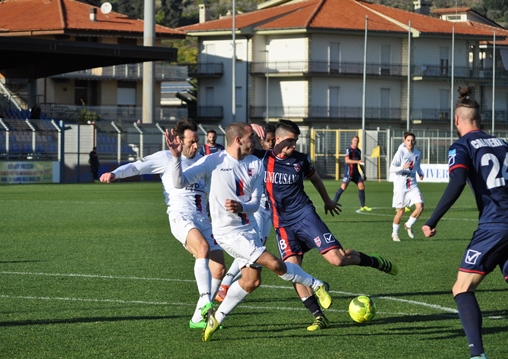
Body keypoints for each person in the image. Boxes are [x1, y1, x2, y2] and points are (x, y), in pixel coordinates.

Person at [165, 122, 332, 341]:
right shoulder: (213, 161)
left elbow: (255, 202)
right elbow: (179, 182)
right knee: (274, 263)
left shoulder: (255, 164)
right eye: (251, 137)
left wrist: (241, 206)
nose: (254, 141)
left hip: (248, 229)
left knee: (251, 281)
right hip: (227, 233)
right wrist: (176, 158)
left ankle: (217, 317)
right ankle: (317, 284)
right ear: (238, 140)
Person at [252, 119, 397, 332]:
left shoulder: (300, 160)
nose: (293, 147)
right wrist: (250, 127)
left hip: (305, 216)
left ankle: (374, 261)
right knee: (293, 271)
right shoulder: (262, 158)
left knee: (337, 259)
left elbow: (316, 180)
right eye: (290, 142)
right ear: (279, 139)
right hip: (282, 225)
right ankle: (319, 316)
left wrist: (328, 201)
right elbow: (236, 143)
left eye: (295, 143)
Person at [99, 118, 226, 330]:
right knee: (201, 249)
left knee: (219, 268)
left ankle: (197, 318)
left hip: (203, 218)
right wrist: (115, 174)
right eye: (191, 142)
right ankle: (206, 302)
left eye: (197, 141)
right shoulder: (165, 158)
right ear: (178, 140)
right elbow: (137, 166)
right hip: (181, 216)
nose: (196, 146)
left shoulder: (203, 160)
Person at [422, 87, 508, 359]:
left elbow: (457, 181)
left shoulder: (462, 146)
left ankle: (478, 356)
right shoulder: (503, 143)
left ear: (457, 121)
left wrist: (432, 220)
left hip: (495, 224)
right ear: (479, 120)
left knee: (462, 288)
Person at [214, 123, 276, 303]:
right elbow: (239, 138)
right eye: (267, 140)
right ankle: (225, 286)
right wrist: (252, 126)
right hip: (252, 210)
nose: (270, 144)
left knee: (257, 247)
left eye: (273, 141)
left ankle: (226, 286)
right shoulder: (252, 155)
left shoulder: (271, 157)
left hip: (267, 209)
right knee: (253, 249)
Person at [390, 132, 424, 242]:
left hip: (412, 184)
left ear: (415, 141)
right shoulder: (400, 153)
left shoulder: (418, 153)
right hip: (401, 185)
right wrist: (402, 167)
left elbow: (417, 165)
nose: (410, 142)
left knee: (420, 206)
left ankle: (408, 225)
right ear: (404, 141)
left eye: (412, 140)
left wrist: (420, 172)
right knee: (400, 211)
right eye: (408, 140)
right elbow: (392, 168)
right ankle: (395, 233)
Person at [333, 135, 371, 212]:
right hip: (349, 173)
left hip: (356, 173)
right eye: (354, 140)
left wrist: (364, 173)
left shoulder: (358, 151)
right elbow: (347, 160)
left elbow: (360, 163)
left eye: (357, 141)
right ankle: (333, 203)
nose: (355, 142)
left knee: (361, 186)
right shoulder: (349, 150)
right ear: (352, 141)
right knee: (343, 188)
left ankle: (363, 206)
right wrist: (357, 161)